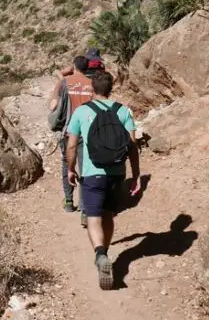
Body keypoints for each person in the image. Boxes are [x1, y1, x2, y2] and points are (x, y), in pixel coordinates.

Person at [65, 71, 142, 290]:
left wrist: (71, 169)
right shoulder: (123, 111)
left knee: (93, 217)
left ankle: (100, 254)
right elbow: (133, 146)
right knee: (108, 215)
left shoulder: (82, 112)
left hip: (92, 173)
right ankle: (105, 253)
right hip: (117, 173)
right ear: (111, 88)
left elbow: (71, 145)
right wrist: (136, 174)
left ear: (92, 89)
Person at [47, 56, 95, 213]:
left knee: (67, 164)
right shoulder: (93, 83)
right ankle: (84, 205)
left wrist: (62, 75)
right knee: (86, 167)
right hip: (88, 131)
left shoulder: (64, 82)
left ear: (73, 66)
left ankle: (69, 201)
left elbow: (52, 105)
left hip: (68, 131)